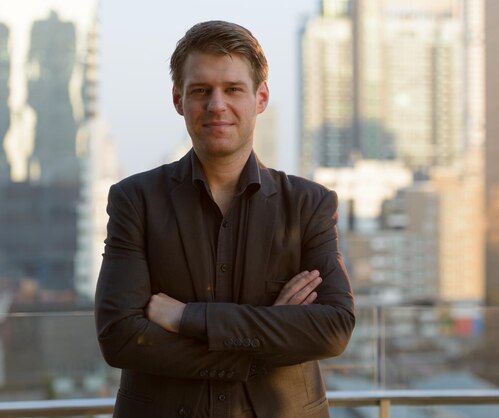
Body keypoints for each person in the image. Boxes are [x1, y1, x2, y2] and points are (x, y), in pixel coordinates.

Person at [94, 20, 355, 418]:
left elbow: (333, 327)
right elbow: (121, 337)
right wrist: (265, 343)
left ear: (260, 97)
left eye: (233, 89)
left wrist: (186, 317)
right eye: (201, 91)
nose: (217, 105)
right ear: (179, 99)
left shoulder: (309, 204)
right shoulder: (135, 200)